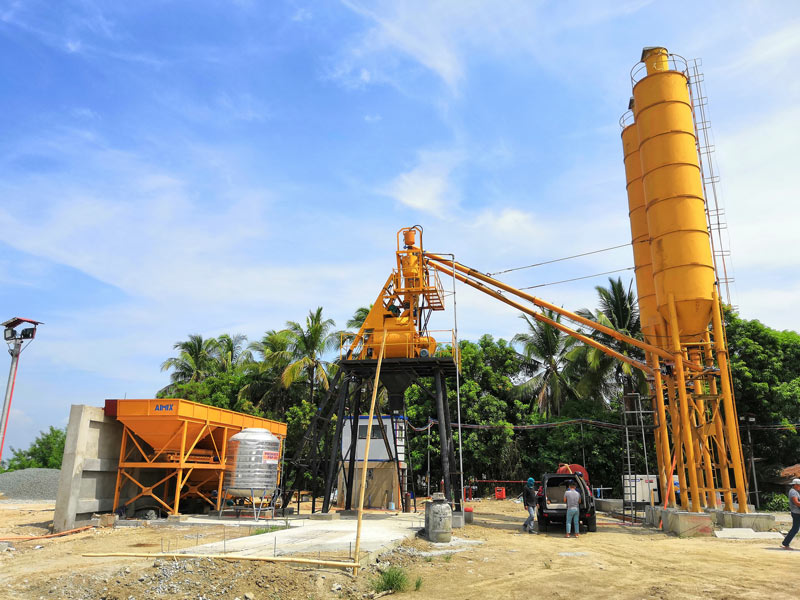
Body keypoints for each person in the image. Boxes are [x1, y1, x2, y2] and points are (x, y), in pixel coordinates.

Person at [782, 478, 800, 550]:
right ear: (795, 485)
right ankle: (786, 544)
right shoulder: (793, 492)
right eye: (799, 485)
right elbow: (796, 502)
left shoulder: (796, 491)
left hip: (797, 513)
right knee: (795, 529)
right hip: (796, 513)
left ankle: (785, 543)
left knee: (795, 529)